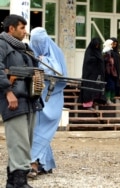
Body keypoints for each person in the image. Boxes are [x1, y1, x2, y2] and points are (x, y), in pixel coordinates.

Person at [0, 14, 44, 188]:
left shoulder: (24, 49)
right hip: (13, 101)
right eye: (22, 28)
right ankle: (20, 183)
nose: (25, 32)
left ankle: (12, 182)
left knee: (25, 142)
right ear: (11, 29)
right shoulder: (2, 45)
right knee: (19, 142)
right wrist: (8, 92)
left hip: (29, 100)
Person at [27, 27, 67, 178]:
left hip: (53, 98)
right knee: (36, 129)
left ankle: (34, 164)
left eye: (41, 41)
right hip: (35, 96)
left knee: (42, 130)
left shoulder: (55, 53)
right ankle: (42, 163)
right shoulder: (29, 53)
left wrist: (44, 63)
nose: (38, 45)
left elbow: (59, 73)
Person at [78, 37, 106, 110]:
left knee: (97, 87)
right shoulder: (89, 51)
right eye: (95, 45)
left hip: (97, 74)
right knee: (89, 88)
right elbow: (87, 61)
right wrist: (95, 59)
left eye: (98, 45)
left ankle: (96, 101)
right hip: (89, 74)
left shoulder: (98, 51)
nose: (97, 46)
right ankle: (88, 104)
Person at [103, 39, 117, 104]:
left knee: (112, 85)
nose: (112, 45)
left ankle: (110, 99)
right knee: (109, 85)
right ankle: (108, 99)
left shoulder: (110, 51)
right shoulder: (106, 51)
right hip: (107, 71)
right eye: (111, 44)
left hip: (111, 71)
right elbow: (105, 60)